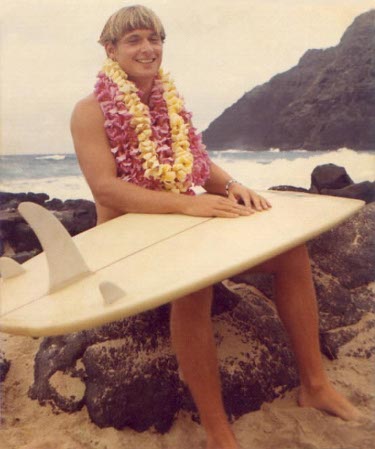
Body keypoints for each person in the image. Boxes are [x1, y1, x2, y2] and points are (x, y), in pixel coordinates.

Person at [71, 5, 360, 449]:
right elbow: (106, 189)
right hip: (126, 240)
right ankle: (216, 429)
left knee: (291, 254)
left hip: (178, 221)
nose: (147, 48)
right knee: (195, 283)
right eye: (133, 40)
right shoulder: (90, 111)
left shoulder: (169, 102)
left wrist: (233, 186)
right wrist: (188, 208)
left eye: (154, 39)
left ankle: (314, 385)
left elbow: (198, 166)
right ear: (110, 50)